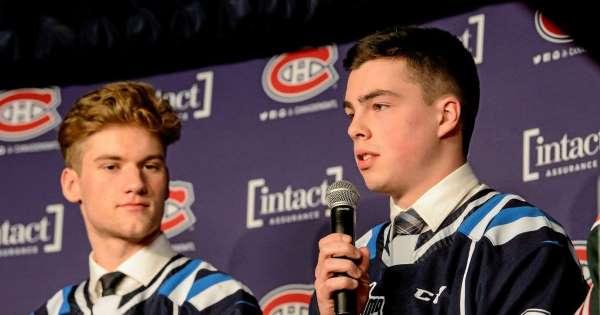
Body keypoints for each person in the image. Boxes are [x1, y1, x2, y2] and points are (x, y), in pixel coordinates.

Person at [310, 26, 588, 314]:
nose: (355, 129)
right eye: (351, 113)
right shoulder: (348, 266)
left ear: (445, 116)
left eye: (379, 106)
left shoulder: (516, 237)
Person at [34, 82, 261, 314]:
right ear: (72, 185)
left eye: (150, 166)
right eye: (112, 167)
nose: (136, 184)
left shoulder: (214, 300)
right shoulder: (52, 311)